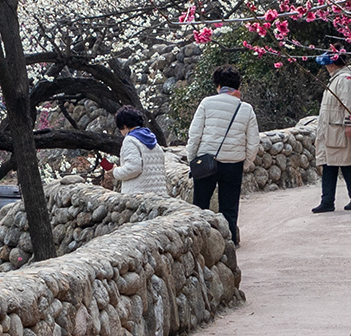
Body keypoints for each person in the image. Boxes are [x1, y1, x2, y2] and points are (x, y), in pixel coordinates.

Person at [182, 67, 261, 248]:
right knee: (229, 208)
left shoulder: (206, 103)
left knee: (200, 205)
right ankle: (230, 244)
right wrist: (244, 162)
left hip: (207, 161)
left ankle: (200, 244)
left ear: (218, 85)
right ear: (237, 85)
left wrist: (193, 158)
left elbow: (194, 135)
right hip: (233, 164)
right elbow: (253, 142)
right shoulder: (246, 108)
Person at [312, 52, 351, 213]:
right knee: (336, 165)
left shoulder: (344, 79)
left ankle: (344, 200)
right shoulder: (340, 78)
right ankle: (333, 200)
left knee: (344, 165)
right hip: (334, 128)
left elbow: (350, 102)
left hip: (339, 129)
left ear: (331, 64)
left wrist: (349, 123)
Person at [110, 106, 166, 195]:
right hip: (159, 193)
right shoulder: (151, 138)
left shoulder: (130, 140)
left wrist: (114, 171)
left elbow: (133, 168)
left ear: (124, 126)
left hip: (139, 194)